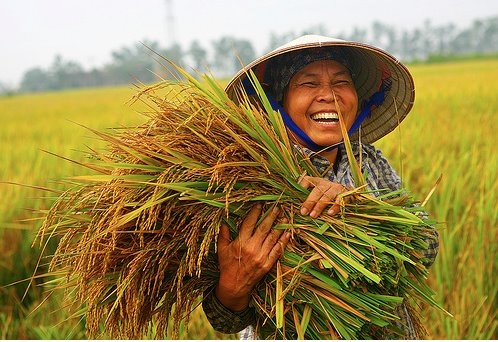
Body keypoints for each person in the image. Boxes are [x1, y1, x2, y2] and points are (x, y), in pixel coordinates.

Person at [201, 35, 439, 339]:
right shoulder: (250, 178)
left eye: (341, 82)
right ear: (279, 102)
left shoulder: (369, 160)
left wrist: (358, 206)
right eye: (308, 84)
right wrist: (234, 287)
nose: (329, 95)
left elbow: (425, 245)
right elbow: (225, 320)